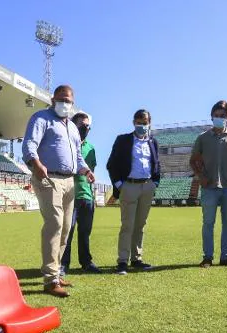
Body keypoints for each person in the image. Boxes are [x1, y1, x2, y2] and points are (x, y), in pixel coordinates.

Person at [22, 85, 95, 297]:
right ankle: (50, 279)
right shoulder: (41, 118)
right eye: (62, 99)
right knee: (54, 224)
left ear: (73, 103)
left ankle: (57, 272)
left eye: (69, 100)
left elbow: (78, 156)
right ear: (53, 99)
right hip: (48, 177)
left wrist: (86, 170)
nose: (65, 103)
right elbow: (29, 145)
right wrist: (36, 164)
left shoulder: (72, 127)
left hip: (69, 181)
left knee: (65, 228)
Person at [190, 100, 227, 268]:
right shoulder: (202, 138)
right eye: (216, 115)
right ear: (211, 116)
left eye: (223, 116)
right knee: (208, 223)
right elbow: (193, 161)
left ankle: (226, 257)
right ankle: (207, 257)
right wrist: (201, 177)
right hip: (209, 188)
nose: (219, 118)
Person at [106, 109, 161, 275]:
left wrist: (155, 182)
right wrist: (119, 184)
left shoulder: (153, 142)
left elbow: (157, 163)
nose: (141, 125)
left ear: (149, 123)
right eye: (138, 122)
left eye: (144, 123)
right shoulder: (123, 140)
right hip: (129, 186)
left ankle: (136, 259)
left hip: (147, 186)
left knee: (140, 225)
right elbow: (112, 163)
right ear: (133, 122)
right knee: (127, 225)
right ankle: (122, 261)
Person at [61, 112, 102, 275]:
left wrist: (91, 194)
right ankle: (63, 265)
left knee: (85, 233)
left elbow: (91, 172)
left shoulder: (91, 148)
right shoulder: (66, 145)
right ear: (72, 125)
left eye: (87, 126)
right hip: (70, 195)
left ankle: (86, 262)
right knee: (67, 232)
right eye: (81, 125)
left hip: (87, 197)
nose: (84, 128)